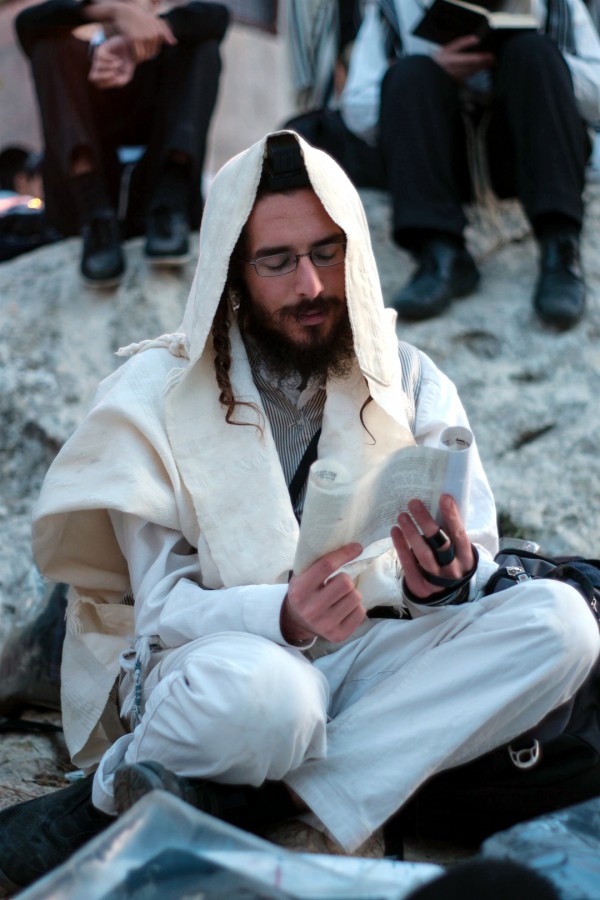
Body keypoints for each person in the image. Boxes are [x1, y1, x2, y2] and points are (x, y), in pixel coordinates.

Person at [0, 131, 598, 891]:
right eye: (277, 261)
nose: (311, 284)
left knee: (560, 624)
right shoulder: (152, 395)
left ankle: (269, 804)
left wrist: (449, 574)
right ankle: (175, 788)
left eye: (327, 253)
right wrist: (281, 615)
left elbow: (476, 553)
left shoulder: (408, 377)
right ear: (231, 272)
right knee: (271, 702)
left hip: (376, 652)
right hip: (222, 658)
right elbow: (160, 613)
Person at [297, 0, 600, 329]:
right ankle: (440, 255)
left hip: (524, 155)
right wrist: (437, 68)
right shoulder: (395, 7)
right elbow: (357, 110)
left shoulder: (556, 4)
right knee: (411, 73)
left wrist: (533, 64)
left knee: (534, 51)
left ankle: (561, 252)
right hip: (442, 160)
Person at [15, 0, 229, 287]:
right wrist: (114, 12)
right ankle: (96, 219)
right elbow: (27, 22)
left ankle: (169, 205)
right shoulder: (78, 55)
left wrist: (151, 32)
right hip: (79, 208)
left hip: (157, 196)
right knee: (49, 46)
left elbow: (217, 16)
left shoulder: (174, 50)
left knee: (203, 48)